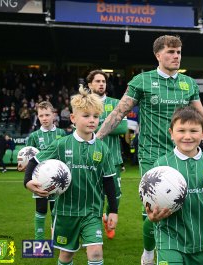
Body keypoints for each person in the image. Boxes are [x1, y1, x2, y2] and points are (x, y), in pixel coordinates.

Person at [96, 35, 203, 265]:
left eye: (178, 52)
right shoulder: (142, 80)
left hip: (185, 155)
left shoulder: (188, 84)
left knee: (184, 206)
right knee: (154, 210)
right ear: (158, 55)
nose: (176, 56)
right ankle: (149, 252)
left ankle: (180, 249)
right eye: (170, 52)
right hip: (153, 155)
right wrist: (97, 138)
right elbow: (118, 113)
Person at [24, 85, 118, 265]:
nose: (92, 120)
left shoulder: (103, 149)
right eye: (86, 116)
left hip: (92, 211)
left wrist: (113, 210)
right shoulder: (62, 144)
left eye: (96, 116)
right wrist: (27, 181)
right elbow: (35, 160)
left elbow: (108, 181)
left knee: (96, 252)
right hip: (66, 212)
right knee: (66, 256)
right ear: (73, 118)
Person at [146, 106, 203, 265]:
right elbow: (150, 199)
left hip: (200, 239)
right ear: (171, 134)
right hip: (169, 236)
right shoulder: (162, 165)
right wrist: (151, 216)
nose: (187, 136)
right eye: (181, 130)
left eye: (193, 131)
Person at [87, 69, 128, 239]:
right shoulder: (84, 104)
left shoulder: (116, 103)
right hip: (89, 157)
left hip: (113, 158)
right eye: (97, 81)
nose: (101, 84)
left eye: (103, 81)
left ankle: (108, 218)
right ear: (90, 85)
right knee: (92, 194)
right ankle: (93, 227)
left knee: (115, 195)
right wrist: (109, 123)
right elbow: (81, 127)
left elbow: (122, 127)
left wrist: (96, 125)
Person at [25, 101, 67, 240]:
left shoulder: (62, 133)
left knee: (57, 210)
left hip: (59, 179)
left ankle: (57, 238)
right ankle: (39, 240)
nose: (44, 118)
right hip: (40, 180)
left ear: (53, 115)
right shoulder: (34, 136)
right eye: (41, 115)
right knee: (41, 210)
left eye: (47, 114)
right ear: (38, 117)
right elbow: (29, 158)